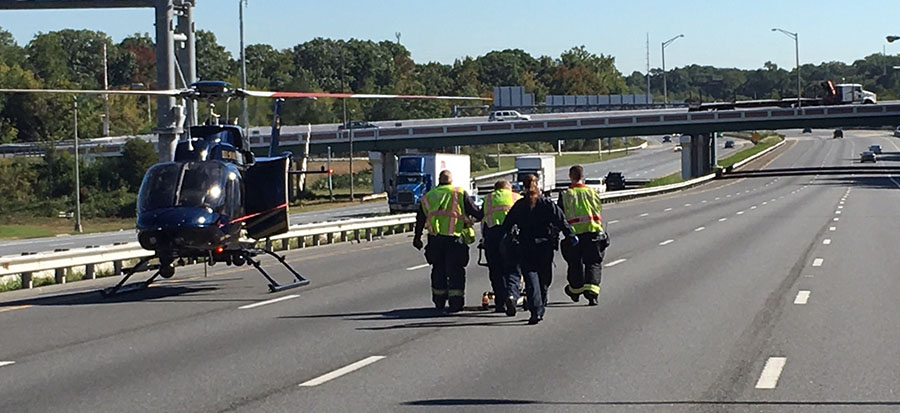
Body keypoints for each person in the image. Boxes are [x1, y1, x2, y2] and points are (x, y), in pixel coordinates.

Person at [502, 174, 576, 325]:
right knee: (544, 279)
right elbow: (561, 220)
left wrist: (503, 239)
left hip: (525, 245)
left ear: (523, 186)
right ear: (538, 185)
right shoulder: (546, 203)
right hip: (544, 246)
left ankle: (536, 309)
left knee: (531, 279)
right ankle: (539, 307)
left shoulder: (520, 205)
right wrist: (570, 235)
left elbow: (507, 224)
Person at [413, 170, 483, 312]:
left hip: (435, 239)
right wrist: (473, 219)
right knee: (456, 270)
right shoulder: (459, 193)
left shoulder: (429, 196)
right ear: (451, 181)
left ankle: (439, 301)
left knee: (438, 269)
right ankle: (456, 303)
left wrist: (417, 238)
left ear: (439, 180)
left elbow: (420, 219)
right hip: (455, 238)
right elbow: (476, 212)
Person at [558, 165, 609, 307]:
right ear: (583, 175)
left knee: (575, 264)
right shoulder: (592, 192)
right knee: (593, 263)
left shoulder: (566, 194)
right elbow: (598, 209)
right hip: (593, 233)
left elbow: (560, 216)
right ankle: (592, 294)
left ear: (570, 176)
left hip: (573, 236)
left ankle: (575, 290)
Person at [481, 180, 521, 316]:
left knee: (496, 271)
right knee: (513, 270)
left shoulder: (487, 199)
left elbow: (482, 218)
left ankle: (500, 302)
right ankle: (512, 296)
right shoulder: (516, 197)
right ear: (508, 188)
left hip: (492, 238)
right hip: (510, 237)